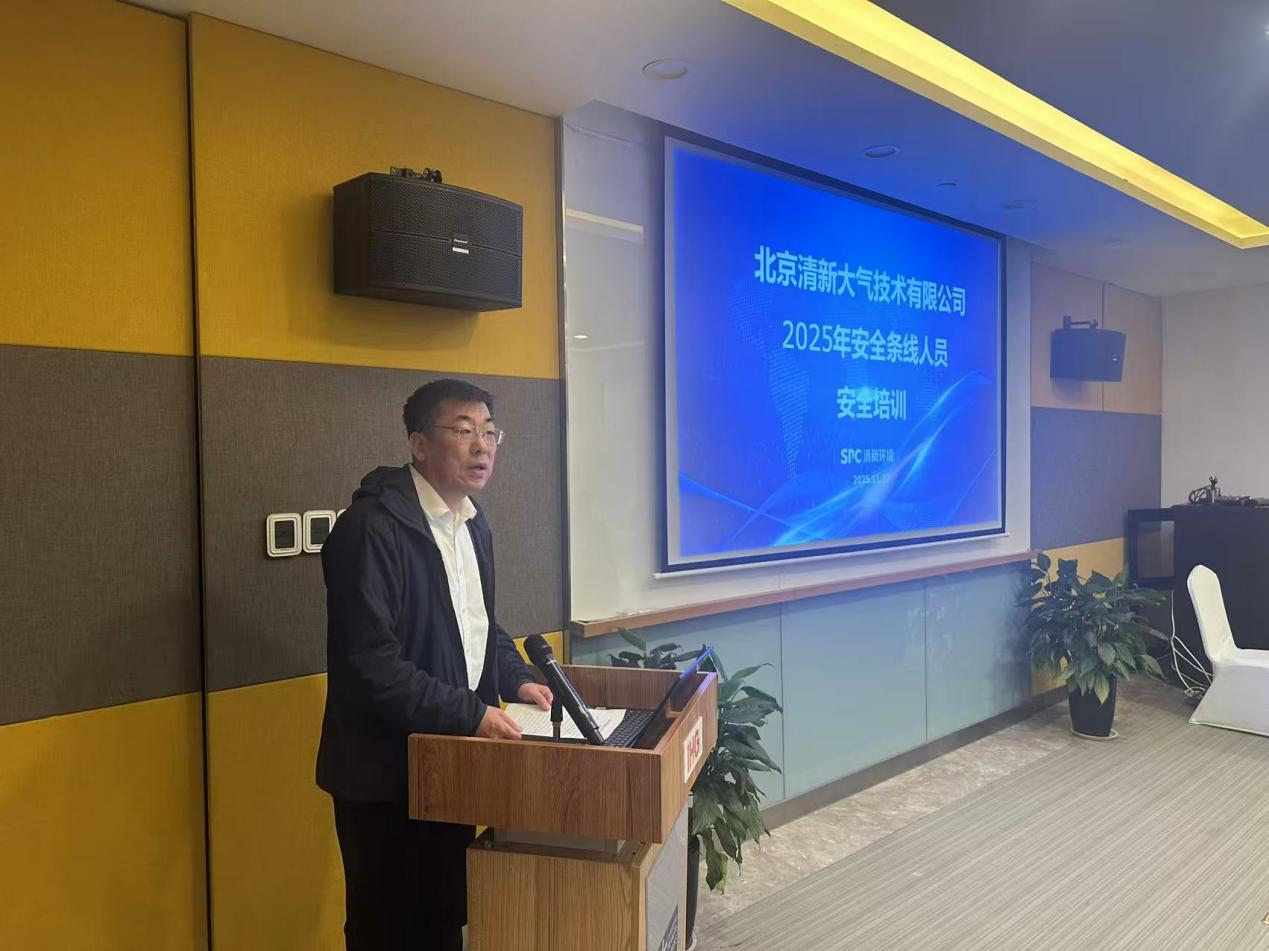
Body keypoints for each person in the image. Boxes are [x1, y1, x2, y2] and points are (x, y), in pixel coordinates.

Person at [316, 377, 553, 951]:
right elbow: (370, 664)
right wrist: (471, 713)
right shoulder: (370, 529)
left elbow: (477, 624)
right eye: (464, 431)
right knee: (387, 928)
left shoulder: (472, 521)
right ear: (419, 444)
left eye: (490, 433)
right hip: (386, 773)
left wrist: (515, 677)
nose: (482, 446)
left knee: (443, 920)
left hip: (450, 763)